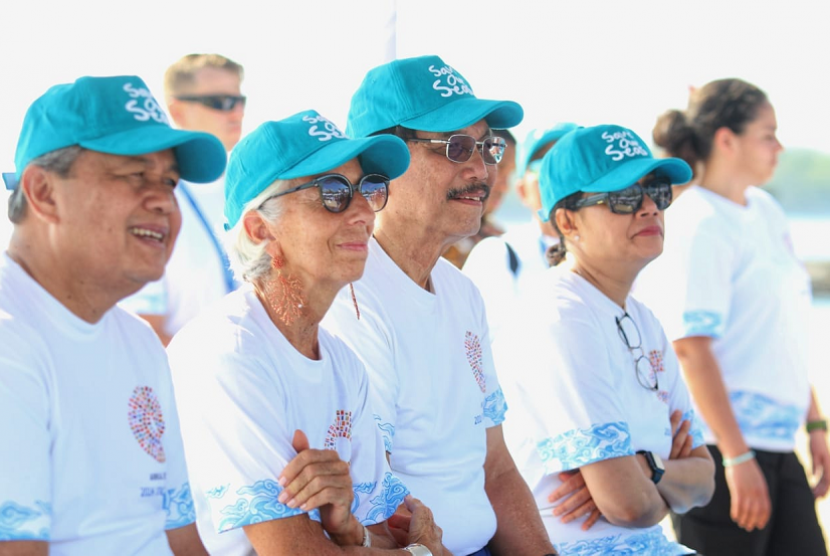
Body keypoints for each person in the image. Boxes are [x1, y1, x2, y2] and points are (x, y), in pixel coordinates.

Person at [166, 110, 447, 556]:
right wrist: (417, 553)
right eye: (333, 194)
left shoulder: (341, 363)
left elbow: (384, 528)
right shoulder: (226, 353)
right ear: (261, 229)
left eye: (367, 189)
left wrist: (347, 531)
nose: (363, 213)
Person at [322, 55, 556, 556]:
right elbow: (371, 507)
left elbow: (495, 468)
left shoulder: (460, 290)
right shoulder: (350, 298)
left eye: (487, 146)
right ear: (379, 165)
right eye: (454, 146)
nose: (481, 168)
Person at [0, 75, 227, 554]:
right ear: (43, 193)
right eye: (133, 175)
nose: (163, 199)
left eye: (168, 180)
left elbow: (183, 541)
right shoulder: (9, 342)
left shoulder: (139, 343)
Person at [493, 124, 715, 555]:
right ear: (567, 221)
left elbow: (705, 481)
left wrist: (645, 466)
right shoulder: (561, 317)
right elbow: (627, 505)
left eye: (658, 192)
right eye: (624, 197)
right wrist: (662, 475)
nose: (650, 208)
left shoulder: (643, 316)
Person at [637, 79, 830, 556]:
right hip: (724, 452)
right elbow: (690, 347)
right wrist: (737, 456)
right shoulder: (699, 221)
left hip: (780, 446)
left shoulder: (765, 211)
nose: (779, 146)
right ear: (727, 140)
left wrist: (814, 424)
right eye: (768, 134)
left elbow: (780, 332)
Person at [121, 53, 246, 345]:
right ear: (177, 111)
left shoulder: (251, 189)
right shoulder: (151, 201)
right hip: (189, 384)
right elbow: (143, 327)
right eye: (221, 102)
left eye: (240, 101)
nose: (236, 113)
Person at [463, 123, 576, 341]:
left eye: (571, 166)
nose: (560, 179)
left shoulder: (631, 255)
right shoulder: (497, 254)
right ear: (522, 190)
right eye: (543, 167)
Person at [442, 129, 515, 268]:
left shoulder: (505, 245)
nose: (505, 187)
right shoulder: (439, 243)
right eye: (499, 167)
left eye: (510, 174)